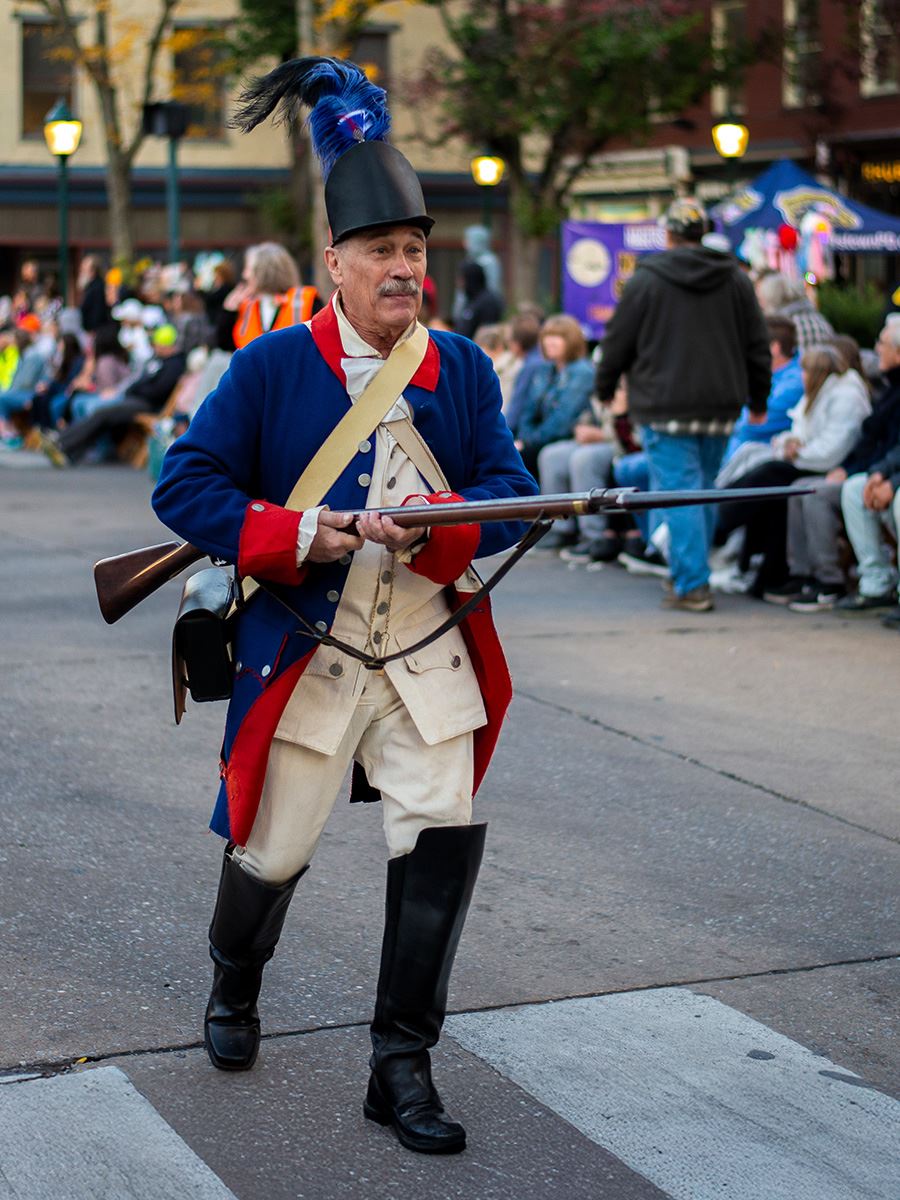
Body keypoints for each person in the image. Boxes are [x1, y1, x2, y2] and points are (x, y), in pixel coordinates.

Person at [150, 57, 536, 1157]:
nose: (405, 269)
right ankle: (236, 981)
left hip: (426, 654)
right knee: (271, 853)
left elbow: (509, 494)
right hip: (307, 654)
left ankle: (400, 1068)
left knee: (441, 842)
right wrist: (300, 534)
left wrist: (444, 523)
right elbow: (184, 486)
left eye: (416, 252)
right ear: (335, 262)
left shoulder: (459, 368)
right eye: (383, 252)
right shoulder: (271, 366)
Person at [596, 196, 771, 611]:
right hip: (721, 403)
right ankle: (693, 574)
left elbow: (618, 341)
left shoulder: (647, 279)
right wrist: (758, 398)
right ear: (704, 232)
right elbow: (757, 343)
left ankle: (692, 585)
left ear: (669, 234)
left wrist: (605, 388)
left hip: (664, 403)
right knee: (703, 491)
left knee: (678, 493)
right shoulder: (736, 279)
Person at [717, 343, 870, 600]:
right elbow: (799, 430)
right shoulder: (820, 393)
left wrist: (795, 452)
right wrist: (789, 444)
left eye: (805, 371)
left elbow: (832, 450)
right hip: (815, 463)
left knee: (774, 477)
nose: (802, 377)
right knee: (771, 485)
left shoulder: (846, 397)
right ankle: (774, 572)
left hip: (833, 468)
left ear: (818, 372)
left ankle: (718, 522)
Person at [780, 321, 900, 613]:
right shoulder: (891, 389)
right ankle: (875, 581)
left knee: (820, 492)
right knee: (841, 489)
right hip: (878, 470)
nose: (876, 349)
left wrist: (887, 479)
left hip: (886, 474)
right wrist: (874, 473)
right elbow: (877, 445)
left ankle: (829, 581)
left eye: (882, 344)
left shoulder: (853, 392)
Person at [40, 323, 186, 465]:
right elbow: (139, 380)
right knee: (99, 412)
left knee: (102, 413)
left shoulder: (174, 365)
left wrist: (135, 389)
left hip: (147, 404)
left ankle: (62, 442)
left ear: (167, 344)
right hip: (135, 398)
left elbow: (157, 392)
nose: (155, 346)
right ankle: (67, 447)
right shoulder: (159, 360)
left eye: (158, 343)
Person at [513, 313, 594, 493]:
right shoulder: (544, 370)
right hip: (538, 438)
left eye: (557, 337)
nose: (550, 342)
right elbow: (529, 411)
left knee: (521, 458)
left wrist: (528, 442)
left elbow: (563, 420)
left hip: (565, 437)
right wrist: (523, 438)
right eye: (547, 336)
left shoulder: (582, 372)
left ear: (571, 340)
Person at [218, 242, 321, 351]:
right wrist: (228, 312)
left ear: (265, 271)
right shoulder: (246, 306)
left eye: (248, 268)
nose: (245, 275)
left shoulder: (305, 300)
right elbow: (225, 344)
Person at [755, 270, 834, 353]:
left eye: (762, 300)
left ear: (773, 299)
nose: (761, 305)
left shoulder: (785, 327)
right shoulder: (816, 317)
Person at [454, 261, 503, 341]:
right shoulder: (470, 300)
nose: (458, 283)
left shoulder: (488, 302)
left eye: (461, 279)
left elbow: (489, 334)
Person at [77, 256, 110, 333]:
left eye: (84, 269)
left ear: (93, 271)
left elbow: (97, 313)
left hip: (95, 332)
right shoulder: (90, 287)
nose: (81, 272)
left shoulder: (97, 288)